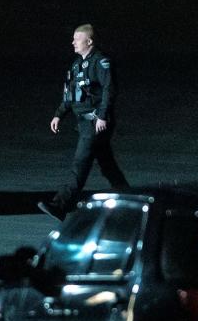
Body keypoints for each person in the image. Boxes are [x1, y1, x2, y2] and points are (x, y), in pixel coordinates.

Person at [38, 24, 130, 221]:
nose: (72, 42)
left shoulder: (101, 62)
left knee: (80, 164)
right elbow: (70, 94)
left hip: (95, 122)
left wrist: (103, 116)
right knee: (108, 166)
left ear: (89, 41)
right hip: (84, 123)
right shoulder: (77, 64)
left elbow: (109, 90)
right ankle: (130, 200)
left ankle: (60, 204)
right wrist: (58, 114)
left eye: (76, 39)